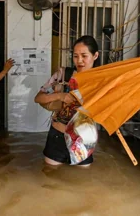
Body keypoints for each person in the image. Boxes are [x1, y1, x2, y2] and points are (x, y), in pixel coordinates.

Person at [34, 35, 100, 167]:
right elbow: (38, 98)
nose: (79, 60)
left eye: (84, 56)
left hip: (84, 138)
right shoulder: (63, 75)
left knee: (82, 179)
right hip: (57, 136)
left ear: (95, 56)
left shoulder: (100, 81)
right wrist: (60, 96)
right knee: (50, 176)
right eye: (75, 56)